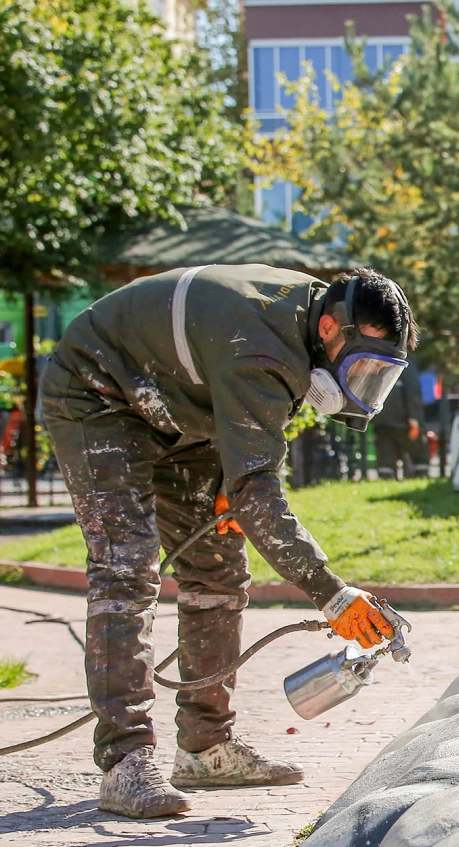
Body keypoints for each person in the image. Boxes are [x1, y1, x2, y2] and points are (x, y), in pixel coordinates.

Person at [41, 264, 415, 818]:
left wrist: (230, 485)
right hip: (98, 395)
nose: (362, 387)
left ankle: (204, 748)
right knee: (128, 568)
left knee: (215, 568)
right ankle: (125, 762)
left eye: (379, 376)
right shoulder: (262, 350)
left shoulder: (305, 330)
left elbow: (252, 452)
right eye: (363, 369)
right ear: (333, 329)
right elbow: (258, 492)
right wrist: (332, 594)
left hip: (182, 408)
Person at [372, 361, 427, 479]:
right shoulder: (407, 364)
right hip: (403, 421)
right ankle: (418, 478)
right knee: (417, 457)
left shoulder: (379, 361)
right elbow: (412, 392)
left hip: (382, 420)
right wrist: (414, 419)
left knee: (386, 457)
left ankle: (385, 481)